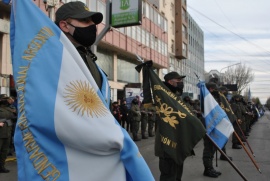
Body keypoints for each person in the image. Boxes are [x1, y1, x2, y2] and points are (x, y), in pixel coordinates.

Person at [155, 71, 186, 181]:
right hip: (168, 142)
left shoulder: (177, 97)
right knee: (168, 175)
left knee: (177, 174)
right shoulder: (162, 95)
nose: (181, 82)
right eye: (178, 80)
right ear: (170, 81)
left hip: (178, 142)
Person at [202, 82, 222, 178]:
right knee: (208, 149)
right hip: (208, 127)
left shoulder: (212, 98)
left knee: (212, 148)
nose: (216, 91)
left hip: (214, 126)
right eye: (215, 89)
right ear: (210, 89)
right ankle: (207, 169)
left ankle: (211, 167)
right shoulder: (206, 99)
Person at [0, 97, 16, 173]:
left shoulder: (9, 108)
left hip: (7, 132)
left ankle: (1, 167)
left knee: (4, 151)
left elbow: (14, 117)